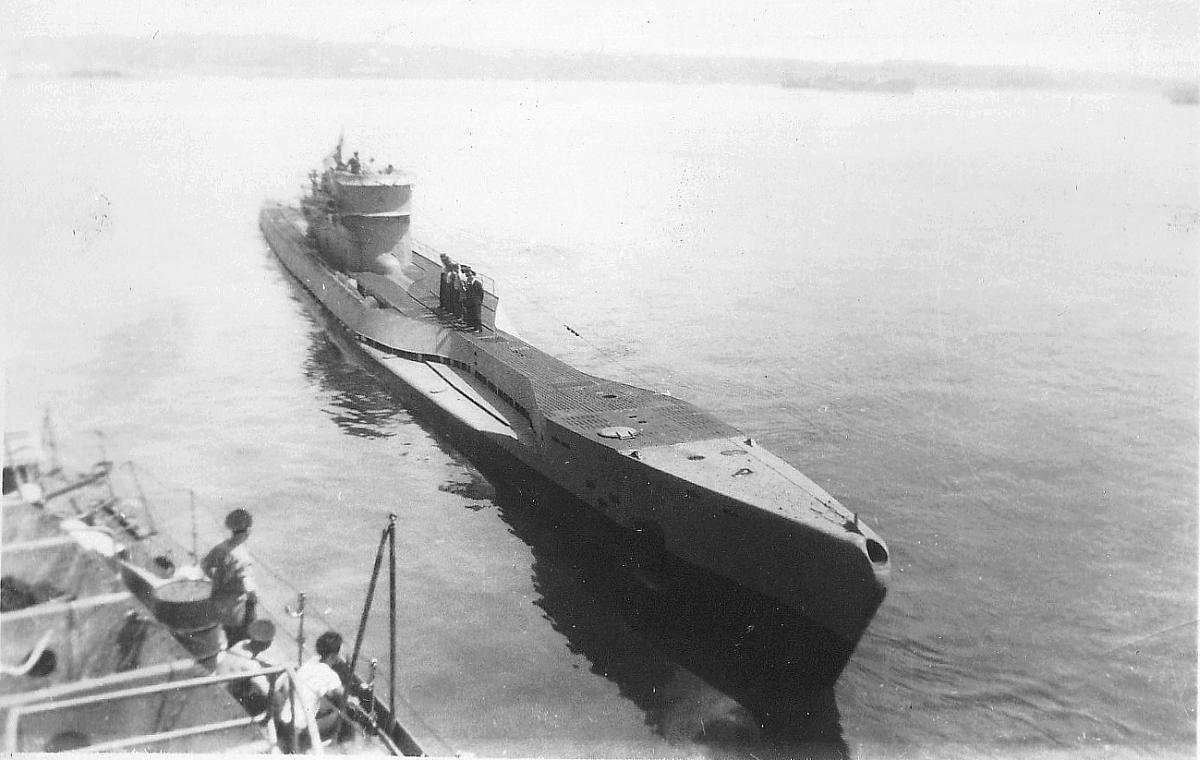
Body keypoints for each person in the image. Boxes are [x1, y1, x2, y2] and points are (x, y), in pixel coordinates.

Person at [275, 630, 348, 751]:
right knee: (340, 713)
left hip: (284, 720)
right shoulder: (330, 675)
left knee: (317, 703)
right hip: (299, 728)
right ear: (333, 656)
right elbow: (342, 697)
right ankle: (331, 745)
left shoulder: (311, 662)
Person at [201, 508, 258, 644]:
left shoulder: (220, 547)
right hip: (235, 613)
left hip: (217, 604)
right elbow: (250, 589)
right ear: (248, 531)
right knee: (238, 640)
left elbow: (205, 565)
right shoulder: (243, 557)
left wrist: (217, 579)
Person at [214, 619, 287, 717]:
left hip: (217, 686)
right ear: (266, 644)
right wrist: (285, 673)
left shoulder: (242, 644)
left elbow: (252, 657)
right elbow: (267, 691)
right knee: (277, 698)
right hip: (222, 698)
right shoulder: (252, 666)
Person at [464, 267, 485, 332]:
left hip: (476, 302)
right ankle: (473, 326)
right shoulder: (469, 283)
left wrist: (479, 301)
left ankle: (479, 328)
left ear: (474, 275)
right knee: (472, 314)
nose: (469, 277)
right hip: (470, 301)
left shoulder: (478, 284)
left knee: (477, 315)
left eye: (471, 275)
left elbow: (481, 293)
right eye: (469, 275)